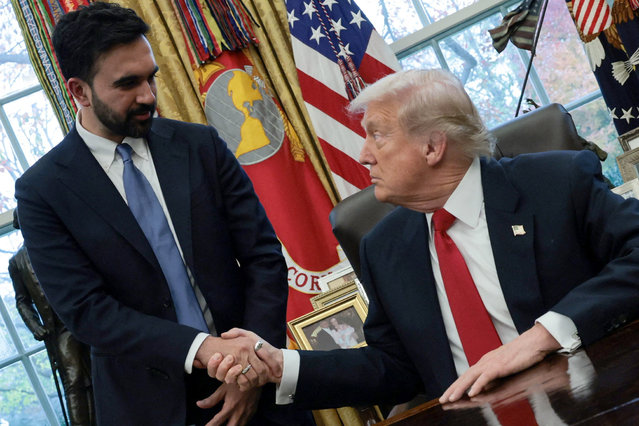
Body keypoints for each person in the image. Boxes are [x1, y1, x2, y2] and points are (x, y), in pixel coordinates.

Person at [208, 69, 639, 410]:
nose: (363, 154)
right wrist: (280, 365)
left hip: (594, 401)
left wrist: (544, 334)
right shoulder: (384, 247)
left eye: (377, 134)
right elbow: (393, 368)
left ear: (433, 147)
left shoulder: (555, 183)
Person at [15, 3, 307, 425]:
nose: (149, 96)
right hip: (147, 406)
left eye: (151, 77)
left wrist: (248, 370)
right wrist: (202, 350)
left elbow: (263, 256)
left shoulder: (201, 146)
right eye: (128, 84)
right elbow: (87, 312)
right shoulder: (42, 190)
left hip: (256, 385)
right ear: (79, 91)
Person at [10, 210, 95, 426]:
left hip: (85, 315)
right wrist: (34, 325)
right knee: (73, 378)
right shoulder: (16, 262)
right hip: (58, 327)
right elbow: (22, 300)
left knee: (102, 369)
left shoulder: (57, 245)